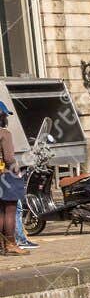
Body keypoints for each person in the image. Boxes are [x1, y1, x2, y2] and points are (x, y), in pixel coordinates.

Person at [0, 103, 25, 256]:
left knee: (0, 212)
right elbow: (9, 158)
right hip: (5, 175)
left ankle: (1, 246)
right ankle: (11, 245)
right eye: (5, 115)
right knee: (10, 210)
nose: (6, 118)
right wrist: (18, 171)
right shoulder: (4, 134)